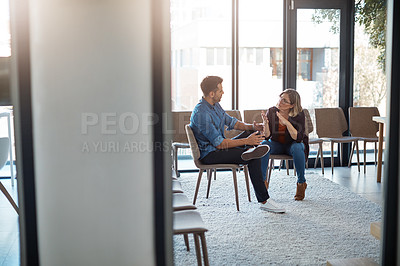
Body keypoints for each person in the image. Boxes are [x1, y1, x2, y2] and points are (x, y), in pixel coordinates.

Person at [190, 76, 285, 213]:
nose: (223, 93)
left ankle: (249, 150)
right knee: (253, 156)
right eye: (220, 91)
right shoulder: (201, 113)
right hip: (210, 154)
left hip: (219, 149)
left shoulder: (214, 105)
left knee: (251, 138)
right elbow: (220, 144)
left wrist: (253, 127)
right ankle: (264, 200)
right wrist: (247, 141)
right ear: (212, 93)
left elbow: (233, 122)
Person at [260, 89, 309, 200]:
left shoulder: (299, 114)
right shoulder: (272, 111)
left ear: (292, 105)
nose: (280, 101)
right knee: (264, 145)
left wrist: (286, 122)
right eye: (280, 98)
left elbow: (298, 138)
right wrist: (266, 124)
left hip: (292, 145)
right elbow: (267, 136)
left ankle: (301, 183)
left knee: (298, 147)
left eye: (284, 100)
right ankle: (262, 184)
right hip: (276, 144)